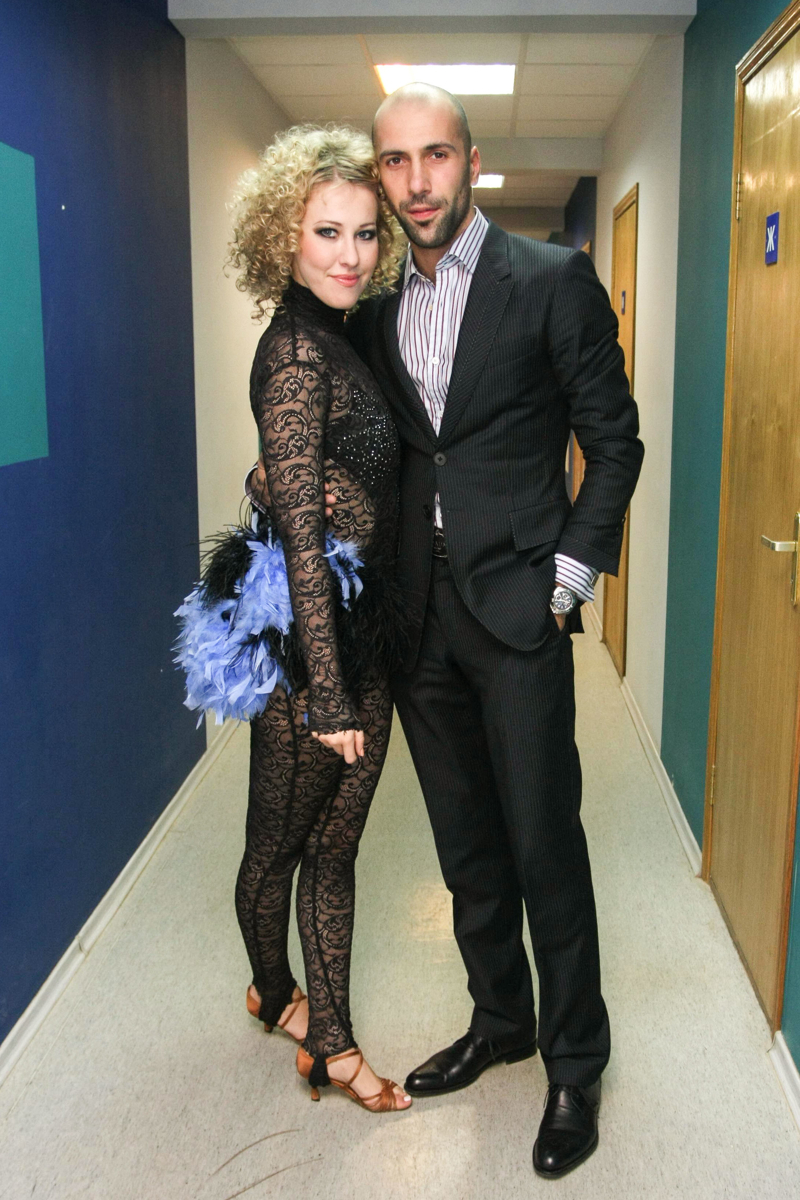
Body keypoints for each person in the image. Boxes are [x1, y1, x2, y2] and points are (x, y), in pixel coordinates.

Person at [251, 85, 643, 1176]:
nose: (416, 181)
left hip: (517, 616)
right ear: (379, 175)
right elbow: (352, 435)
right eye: (395, 161)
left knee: (543, 846)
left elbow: (614, 442)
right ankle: (500, 1019)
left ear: (470, 161)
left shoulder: (550, 280)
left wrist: (565, 581)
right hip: (416, 623)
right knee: (466, 850)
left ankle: (574, 1063)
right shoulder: (372, 304)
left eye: (435, 156)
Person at [227, 124, 411, 1113]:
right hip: (308, 649)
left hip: (364, 627)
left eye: (364, 234)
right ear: (283, 239)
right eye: (325, 233)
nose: (348, 255)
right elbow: (301, 540)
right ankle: (272, 988)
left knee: (335, 849)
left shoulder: (346, 333)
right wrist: (326, 693)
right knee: (277, 849)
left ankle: (332, 1044)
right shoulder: (297, 355)